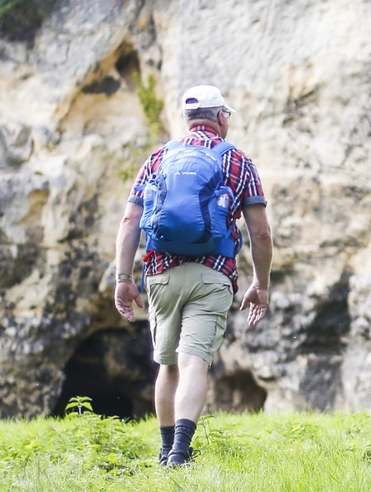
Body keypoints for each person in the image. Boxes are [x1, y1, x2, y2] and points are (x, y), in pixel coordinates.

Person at [111, 84, 272, 467]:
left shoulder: (159, 157)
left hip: (161, 273)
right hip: (212, 275)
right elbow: (260, 232)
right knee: (193, 363)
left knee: (167, 366)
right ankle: (181, 452)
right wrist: (261, 285)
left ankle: (166, 451)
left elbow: (131, 219)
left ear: (188, 120)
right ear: (220, 117)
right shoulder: (237, 160)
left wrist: (123, 277)